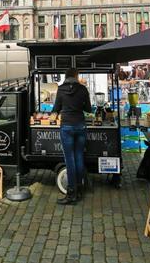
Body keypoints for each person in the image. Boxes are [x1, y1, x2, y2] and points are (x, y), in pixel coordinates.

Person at [52, 68, 92, 205]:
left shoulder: (61, 89)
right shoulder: (83, 89)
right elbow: (88, 109)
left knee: (69, 160)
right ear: (76, 76)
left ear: (66, 76)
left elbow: (56, 109)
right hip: (80, 125)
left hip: (67, 126)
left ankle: (71, 193)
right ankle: (79, 189)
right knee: (79, 157)